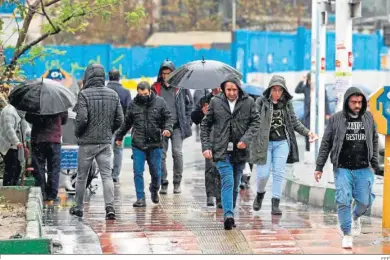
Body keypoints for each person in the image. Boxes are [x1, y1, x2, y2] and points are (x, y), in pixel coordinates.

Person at [314, 86, 379, 249]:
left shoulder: (369, 118)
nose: (357, 105)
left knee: (365, 202)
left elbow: (375, 140)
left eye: (360, 102)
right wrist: (319, 166)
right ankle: (347, 233)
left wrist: (375, 163)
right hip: (342, 167)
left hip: (364, 167)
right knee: (343, 199)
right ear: (347, 102)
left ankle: (355, 216)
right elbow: (326, 143)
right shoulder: (336, 119)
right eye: (354, 102)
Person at [250, 75, 318, 215]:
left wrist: (308, 132)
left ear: (283, 91)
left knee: (279, 173)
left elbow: (294, 122)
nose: (276, 93)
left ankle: (276, 203)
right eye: (274, 89)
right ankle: (260, 194)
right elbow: (253, 121)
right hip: (264, 143)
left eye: (279, 90)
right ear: (270, 89)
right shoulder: (261, 102)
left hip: (282, 142)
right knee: (263, 174)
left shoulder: (287, 103)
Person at [201, 77, 260, 230]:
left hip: (240, 151)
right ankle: (228, 215)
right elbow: (205, 125)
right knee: (227, 180)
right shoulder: (216, 102)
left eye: (234, 90)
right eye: (229, 90)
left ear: (239, 89)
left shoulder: (249, 102)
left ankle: (230, 211)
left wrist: (246, 139)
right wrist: (206, 147)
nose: (232, 93)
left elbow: (256, 122)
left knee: (234, 185)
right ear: (223, 89)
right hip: (220, 149)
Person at [70, 64, 124, 220]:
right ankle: (110, 208)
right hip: (105, 142)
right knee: (107, 176)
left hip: (87, 143)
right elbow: (120, 119)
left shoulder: (84, 94)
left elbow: (81, 119)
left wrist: (78, 133)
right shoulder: (113, 94)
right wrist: (109, 131)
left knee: (82, 176)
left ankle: (79, 208)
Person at [116, 81, 173, 207]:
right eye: (140, 94)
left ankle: (154, 189)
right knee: (137, 171)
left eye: (145, 93)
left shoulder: (160, 102)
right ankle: (140, 198)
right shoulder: (133, 104)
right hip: (138, 144)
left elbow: (168, 117)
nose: (143, 96)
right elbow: (127, 123)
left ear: (150, 91)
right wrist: (119, 136)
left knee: (157, 174)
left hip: (155, 143)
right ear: (137, 92)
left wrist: (168, 129)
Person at [152, 60, 193, 194]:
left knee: (177, 153)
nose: (165, 76)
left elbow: (189, 105)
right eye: (163, 73)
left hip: (177, 127)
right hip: (160, 127)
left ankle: (177, 182)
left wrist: (187, 122)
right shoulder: (155, 87)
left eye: (168, 73)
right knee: (161, 156)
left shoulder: (181, 87)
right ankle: (163, 182)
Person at [26, 111, 68, 202]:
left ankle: (42, 193)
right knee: (54, 168)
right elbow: (64, 120)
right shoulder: (60, 102)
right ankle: (52, 194)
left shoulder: (36, 102)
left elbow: (28, 118)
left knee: (38, 168)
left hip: (38, 140)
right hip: (54, 140)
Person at [191, 87, 222, 208]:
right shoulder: (204, 99)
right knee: (210, 166)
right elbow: (194, 118)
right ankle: (210, 194)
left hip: (222, 137)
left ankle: (220, 196)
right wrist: (202, 113)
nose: (217, 87)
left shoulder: (226, 99)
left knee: (220, 167)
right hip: (208, 137)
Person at [295, 73, 331, 159]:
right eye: (310, 80)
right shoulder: (306, 88)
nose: (311, 82)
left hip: (318, 114)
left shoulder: (320, 88)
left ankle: (319, 151)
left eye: (312, 80)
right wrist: (301, 81)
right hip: (308, 115)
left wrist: (327, 113)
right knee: (307, 132)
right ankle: (308, 149)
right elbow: (297, 90)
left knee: (319, 132)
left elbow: (325, 100)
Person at [106, 69, 132, 183]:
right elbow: (130, 110)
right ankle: (115, 175)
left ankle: (106, 173)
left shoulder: (104, 90)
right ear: (119, 77)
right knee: (118, 150)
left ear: (109, 77)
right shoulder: (125, 92)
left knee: (105, 151)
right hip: (120, 126)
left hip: (105, 125)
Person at [0, 104, 30, 186]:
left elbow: (26, 129)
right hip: (9, 145)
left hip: (18, 146)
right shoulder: (9, 111)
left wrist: (32, 135)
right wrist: (17, 142)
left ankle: (13, 188)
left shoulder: (21, 113)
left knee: (17, 169)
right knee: (11, 170)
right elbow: (9, 130)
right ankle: (7, 190)